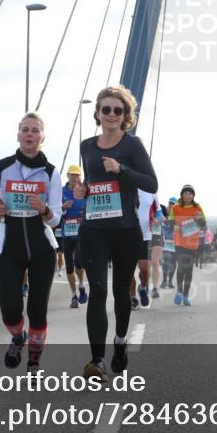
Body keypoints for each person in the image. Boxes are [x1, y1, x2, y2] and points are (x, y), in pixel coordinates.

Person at [78, 86, 158, 380]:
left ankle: (121, 342)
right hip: (94, 228)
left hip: (125, 229)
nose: (111, 115)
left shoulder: (132, 146)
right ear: (97, 113)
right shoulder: (87, 146)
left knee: (121, 290)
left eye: (118, 110)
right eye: (106, 109)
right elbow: (90, 182)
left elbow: (151, 183)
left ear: (126, 116)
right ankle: (96, 360)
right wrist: (82, 189)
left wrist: (121, 169)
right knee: (98, 290)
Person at [0, 112, 62, 373]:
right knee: (9, 307)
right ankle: (18, 337)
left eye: (35, 130)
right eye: (25, 130)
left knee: (37, 310)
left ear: (42, 137)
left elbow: (56, 220)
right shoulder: (2, 166)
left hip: (42, 248)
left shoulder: (51, 173)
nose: (30, 134)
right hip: (9, 246)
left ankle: (34, 360)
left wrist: (44, 210)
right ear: (18, 134)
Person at [169, 185, 206, 306]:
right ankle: (179, 292)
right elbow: (170, 220)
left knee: (188, 270)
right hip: (179, 241)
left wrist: (199, 219)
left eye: (190, 193)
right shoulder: (176, 207)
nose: (188, 195)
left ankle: (185, 295)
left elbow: (203, 224)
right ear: (182, 195)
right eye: (185, 193)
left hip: (192, 242)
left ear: (193, 196)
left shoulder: (198, 207)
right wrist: (173, 224)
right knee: (181, 266)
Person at [61, 164, 88, 305]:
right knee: (69, 266)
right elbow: (54, 212)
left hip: (81, 233)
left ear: (80, 177)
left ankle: (82, 285)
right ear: (67, 176)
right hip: (67, 233)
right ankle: (73, 296)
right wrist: (63, 208)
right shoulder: (61, 191)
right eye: (72, 175)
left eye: (77, 175)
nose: (74, 178)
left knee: (78, 262)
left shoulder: (83, 191)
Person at [131, 189, 160, 310]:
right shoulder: (124, 184)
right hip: (126, 235)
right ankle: (133, 297)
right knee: (128, 270)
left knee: (145, 268)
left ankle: (142, 287)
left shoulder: (151, 189)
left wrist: (157, 219)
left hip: (146, 235)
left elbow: (158, 212)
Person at [161, 197, 177, 289]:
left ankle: (170, 281)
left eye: (174, 204)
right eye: (170, 203)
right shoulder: (164, 212)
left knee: (174, 263)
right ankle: (164, 280)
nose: (171, 205)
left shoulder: (177, 215)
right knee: (166, 261)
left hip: (175, 243)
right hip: (166, 242)